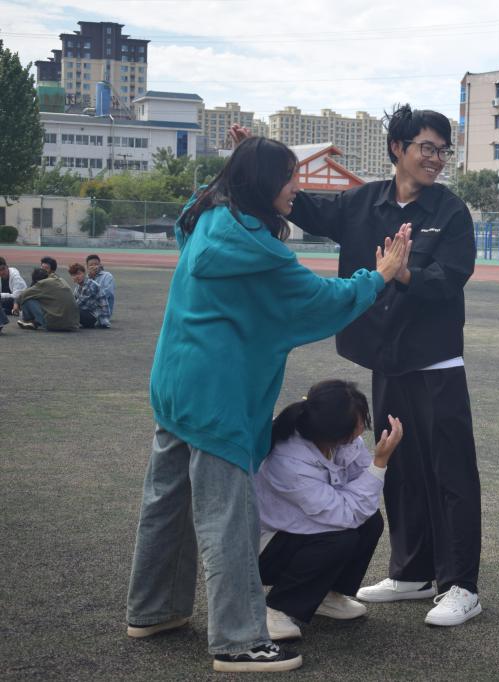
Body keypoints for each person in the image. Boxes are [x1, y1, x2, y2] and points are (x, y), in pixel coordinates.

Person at [124, 135, 410, 673]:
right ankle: (236, 641)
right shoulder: (261, 252)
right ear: (261, 183)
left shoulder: (205, 217)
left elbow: (210, 194)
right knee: (228, 521)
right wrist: (380, 277)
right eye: (287, 177)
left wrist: (247, 155)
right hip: (220, 398)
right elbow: (322, 301)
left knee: (166, 503)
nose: (295, 188)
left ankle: (153, 609)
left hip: (175, 382)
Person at [232, 104, 483, 627]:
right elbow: (304, 207)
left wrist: (403, 273)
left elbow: (451, 277)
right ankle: (412, 571)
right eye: (427, 148)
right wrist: (254, 162)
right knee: (399, 463)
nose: (436, 159)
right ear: (398, 148)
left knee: (450, 471)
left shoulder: (450, 211)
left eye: (443, 150)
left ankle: (460, 584)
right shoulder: (361, 201)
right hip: (383, 357)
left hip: (435, 360)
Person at [255, 380, 404, 641]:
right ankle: (276, 608)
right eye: (358, 424)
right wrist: (380, 461)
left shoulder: (338, 438)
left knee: (370, 522)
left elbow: (361, 488)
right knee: (340, 538)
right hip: (262, 550)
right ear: (334, 431)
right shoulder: (289, 461)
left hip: (298, 529)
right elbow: (346, 513)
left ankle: (326, 595)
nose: (362, 429)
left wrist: (373, 466)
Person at [15, 267, 79, 331]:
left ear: (37, 281)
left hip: (54, 325)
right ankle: (36, 322)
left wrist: (16, 303)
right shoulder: (60, 279)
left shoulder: (42, 283)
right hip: (73, 324)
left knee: (27, 300)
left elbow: (23, 295)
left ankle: (29, 321)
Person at [68, 263, 110, 328]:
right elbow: (73, 300)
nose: (77, 277)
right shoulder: (78, 287)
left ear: (84, 273)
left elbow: (78, 304)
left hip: (99, 319)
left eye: (79, 274)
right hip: (91, 314)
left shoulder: (91, 285)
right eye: (74, 275)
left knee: (73, 310)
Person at [1, 256, 27, 333]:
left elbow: (16, 296)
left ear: (7, 267)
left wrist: (1, 295)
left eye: (3, 269)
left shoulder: (16, 277)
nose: (1, 272)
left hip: (18, 301)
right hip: (7, 301)